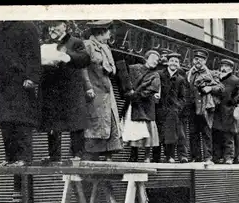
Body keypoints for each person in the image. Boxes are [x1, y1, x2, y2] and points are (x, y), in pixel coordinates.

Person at [39, 20, 91, 162]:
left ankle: (77, 155)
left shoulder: (75, 42)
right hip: (51, 88)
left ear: (64, 26)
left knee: (76, 123)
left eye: (56, 25)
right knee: (52, 123)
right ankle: (54, 155)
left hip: (70, 89)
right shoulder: (45, 44)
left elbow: (85, 59)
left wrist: (67, 55)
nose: (52, 29)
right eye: (50, 26)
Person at [0, 21, 41, 166]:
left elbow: (34, 54)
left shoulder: (27, 26)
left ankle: (24, 158)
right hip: (1, 84)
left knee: (21, 121)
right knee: (5, 122)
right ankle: (10, 158)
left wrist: (32, 77)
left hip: (20, 82)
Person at [82, 20, 123, 161]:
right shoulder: (88, 45)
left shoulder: (106, 48)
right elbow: (82, 68)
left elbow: (112, 70)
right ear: (101, 32)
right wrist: (87, 87)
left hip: (107, 91)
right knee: (95, 124)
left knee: (109, 122)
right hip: (94, 91)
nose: (110, 34)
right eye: (108, 31)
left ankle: (107, 156)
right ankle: (91, 157)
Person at [116, 50, 161, 163]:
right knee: (133, 129)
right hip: (133, 104)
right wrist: (127, 92)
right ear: (146, 58)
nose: (155, 61)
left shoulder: (155, 75)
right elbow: (124, 80)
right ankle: (133, 155)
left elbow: (153, 88)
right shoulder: (134, 68)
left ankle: (146, 157)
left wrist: (137, 95)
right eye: (153, 58)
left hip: (146, 105)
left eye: (157, 60)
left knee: (148, 131)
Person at [185, 49, 224, 164]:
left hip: (205, 107)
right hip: (191, 107)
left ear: (205, 61)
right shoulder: (188, 73)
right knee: (193, 133)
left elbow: (221, 88)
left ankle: (208, 157)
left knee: (206, 133)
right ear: (193, 60)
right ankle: (195, 157)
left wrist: (210, 88)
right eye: (196, 59)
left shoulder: (211, 74)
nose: (198, 61)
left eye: (201, 59)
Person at [212, 59, 239, 164]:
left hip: (228, 111)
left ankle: (229, 157)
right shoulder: (217, 79)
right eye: (222, 66)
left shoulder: (235, 80)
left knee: (228, 135)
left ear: (231, 68)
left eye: (226, 66)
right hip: (217, 110)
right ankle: (217, 157)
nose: (223, 68)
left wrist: (234, 100)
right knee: (216, 134)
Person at [157, 52, 190, 163]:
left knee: (171, 134)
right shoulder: (160, 74)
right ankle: (155, 157)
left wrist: (177, 108)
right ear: (167, 62)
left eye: (176, 61)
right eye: (172, 61)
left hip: (173, 111)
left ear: (178, 64)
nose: (173, 63)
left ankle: (169, 156)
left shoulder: (180, 79)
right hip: (160, 109)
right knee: (159, 133)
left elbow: (183, 97)